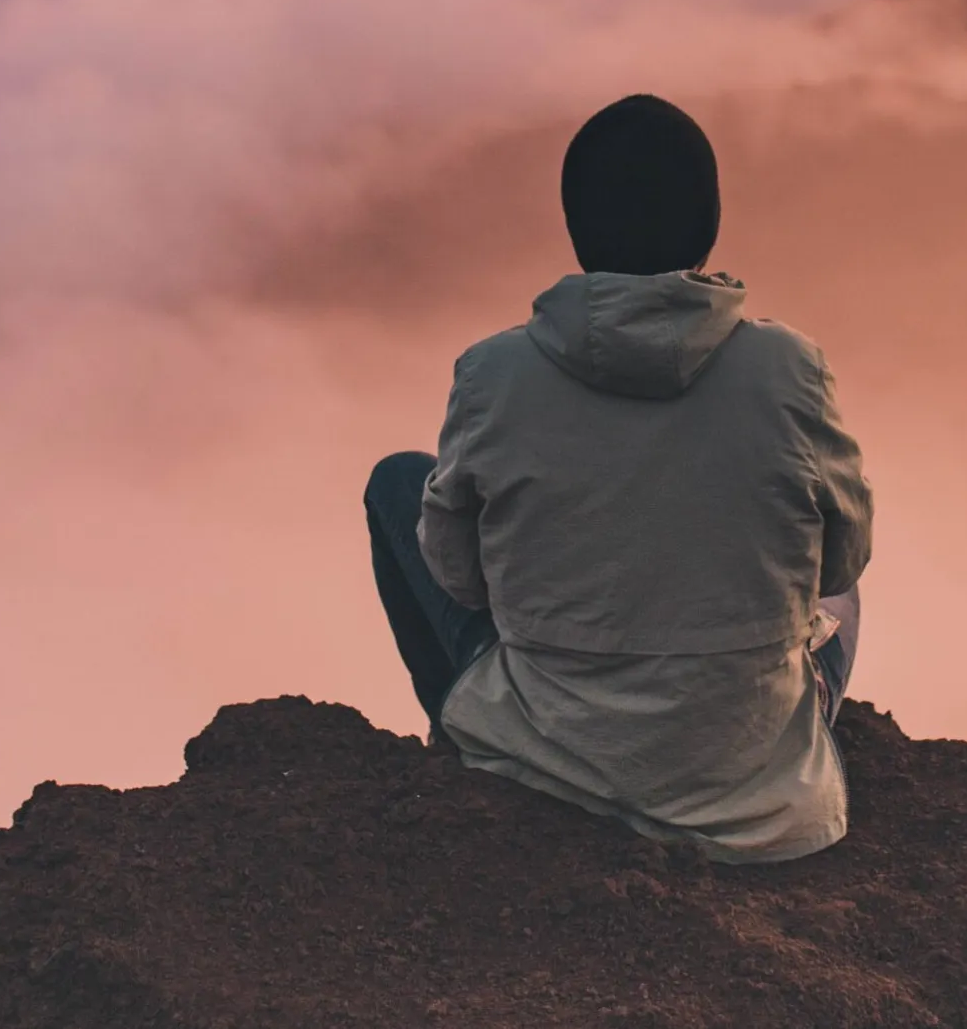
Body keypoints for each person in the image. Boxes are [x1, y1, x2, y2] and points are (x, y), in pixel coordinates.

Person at [364, 94, 872, 861]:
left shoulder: (493, 373)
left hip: (546, 751)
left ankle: (464, 740)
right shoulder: (789, 369)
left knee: (399, 483)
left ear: (577, 231)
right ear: (708, 229)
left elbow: (460, 581)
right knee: (842, 598)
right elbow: (839, 562)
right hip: (752, 788)